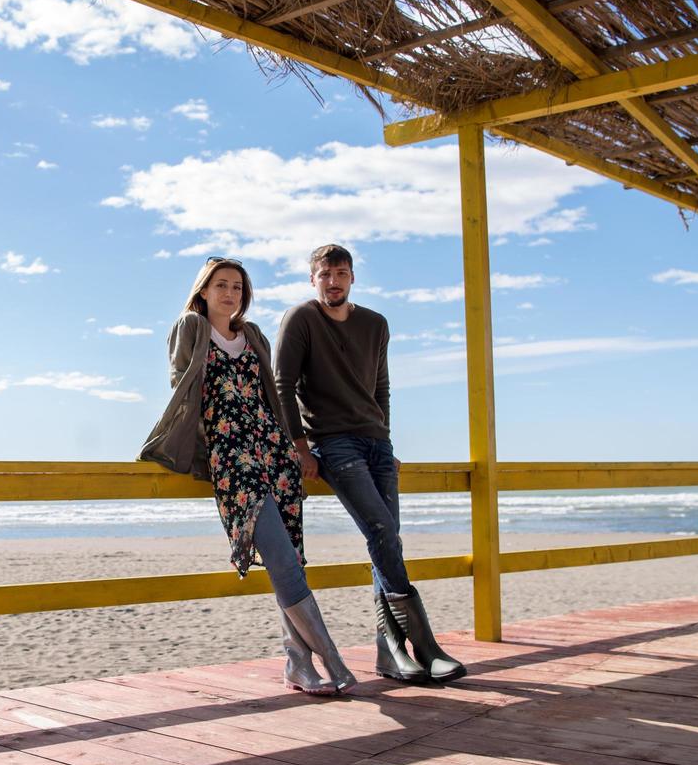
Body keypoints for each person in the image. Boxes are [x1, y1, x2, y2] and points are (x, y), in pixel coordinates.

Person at [140, 257, 356, 695]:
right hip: (232, 453)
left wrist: (295, 447)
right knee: (279, 555)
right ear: (203, 291)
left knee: (290, 559)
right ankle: (332, 659)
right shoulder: (191, 327)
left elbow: (273, 394)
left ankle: (299, 663)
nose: (230, 293)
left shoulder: (253, 334)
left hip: (274, 450)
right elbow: (182, 386)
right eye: (220, 285)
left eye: (237, 287)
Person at [274, 244, 466, 684]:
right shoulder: (301, 318)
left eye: (341, 273)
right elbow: (283, 385)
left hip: (377, 445)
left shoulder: (375, 324)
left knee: (388, 540)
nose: (333, 281)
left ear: (352, 278)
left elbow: (382, 386)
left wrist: (387, 439)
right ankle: (425, 644)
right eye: (325, 274)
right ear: (313, 279)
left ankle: (390, 649)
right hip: (333, 444)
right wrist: (301, 449)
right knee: (381, 531)